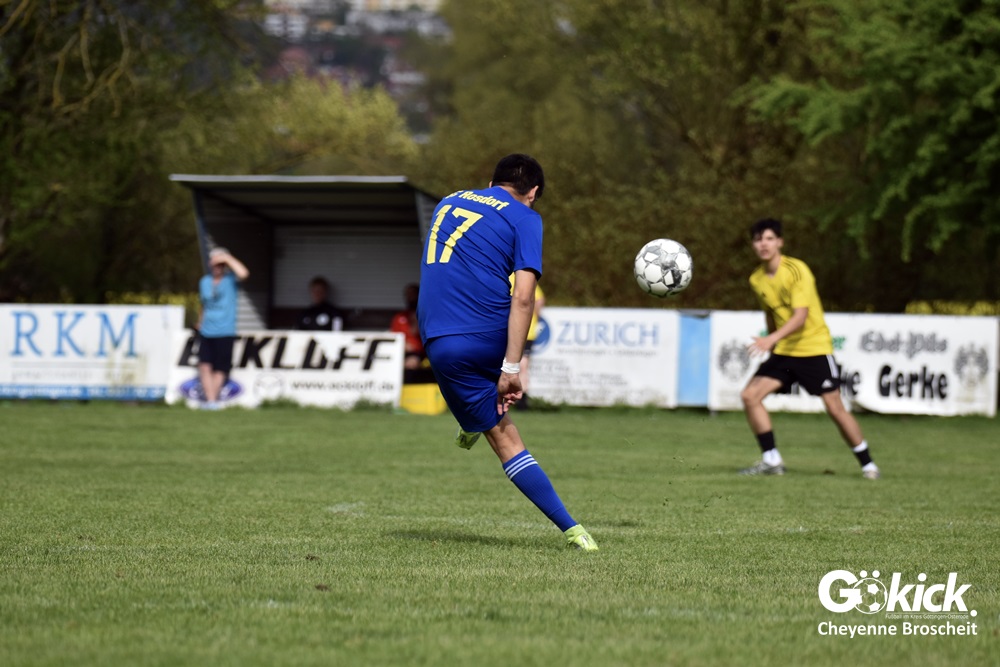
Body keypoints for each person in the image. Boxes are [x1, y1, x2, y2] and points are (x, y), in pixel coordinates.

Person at [417, 153, 598, 551]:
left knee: (478, 403)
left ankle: (471, 419)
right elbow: (524, 298)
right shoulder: (525, 217)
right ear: (532, 192)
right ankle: (575, 531)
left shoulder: (448, 201)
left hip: (436, 338)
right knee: (507, 441)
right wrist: (512, 367)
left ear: (491, 182)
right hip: (487, 334)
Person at [739, 218, 880, 479]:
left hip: (813, 348)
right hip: (784, 352)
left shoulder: (796, 270)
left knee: (834, 407)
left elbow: (800, 317)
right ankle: (771, 460)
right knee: (750, 396)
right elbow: (770, 313)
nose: (763, 245)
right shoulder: (756, 279)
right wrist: (772, 341)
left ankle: (868, 465)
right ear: (752, 245)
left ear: (780, 242)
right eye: (758, 240)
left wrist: (770, 339)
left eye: (769, 239)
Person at [196, 247, 249, 409]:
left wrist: (227, 258)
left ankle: (213, 402)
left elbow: (244, 273)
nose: (217, 267)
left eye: (221, 264)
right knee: (204, 366)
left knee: (220, 368)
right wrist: (200, 322)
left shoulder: (230, 280)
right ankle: (210, 401)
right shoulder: (204, 281)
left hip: (225, 331)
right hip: (207, 331)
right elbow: (203, 305)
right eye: (215, 263)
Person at [507, 275, 545, 410]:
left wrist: (530, 316)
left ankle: (522, 399)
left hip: (525, 331)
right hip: (507, 329)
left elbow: (539, 299)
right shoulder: (506, 275)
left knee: (522, 365)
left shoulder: (521, 275)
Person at [390, 283, 425, 370]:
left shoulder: (426, 317)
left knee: (411, 363)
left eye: (413, 294)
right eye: (408, 295)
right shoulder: (399, 317)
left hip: (420, 353)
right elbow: (394, 337)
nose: (410, 297)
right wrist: (403, 344)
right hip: (401, 352)